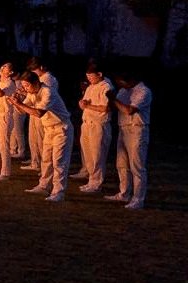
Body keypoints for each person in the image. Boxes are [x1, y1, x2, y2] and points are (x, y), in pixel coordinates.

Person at [10, 72, 74, 202]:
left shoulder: (48, 92)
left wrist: (21, 104)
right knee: (46, 159)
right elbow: (23, 110)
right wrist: (16, 102)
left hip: (61, 128)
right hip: (49, 129)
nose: (25, 88)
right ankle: (44, 185)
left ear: (35, 83)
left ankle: (58, 191)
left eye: (27, 85)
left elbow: (39, 113)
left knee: (59, 161)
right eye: (24, 86)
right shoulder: (32, 93)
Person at [106, 71, 151, 210]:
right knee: (122, 164)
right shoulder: (123, 91)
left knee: (137, 166)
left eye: (121, 81)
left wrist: (114, 99)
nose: (119, 84)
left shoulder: (143, 91)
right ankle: (124, 193)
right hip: (123, 129)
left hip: (137, 129)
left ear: (130, 80)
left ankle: (138, 199)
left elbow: (129, 110)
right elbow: (113, 107)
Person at [73, 62, 113, 193]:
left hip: (98, 125)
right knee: (88, 154)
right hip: (87, 123)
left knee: (97, 155)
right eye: (87, 77)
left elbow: (105, 108)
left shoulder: (106, 87)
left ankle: (96, 183)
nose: (89, 79)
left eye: (91, 76)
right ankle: (91, 180)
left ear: (99, 74)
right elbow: (84, 102)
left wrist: (88, 106)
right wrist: (82, 103)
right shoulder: (91, 87)